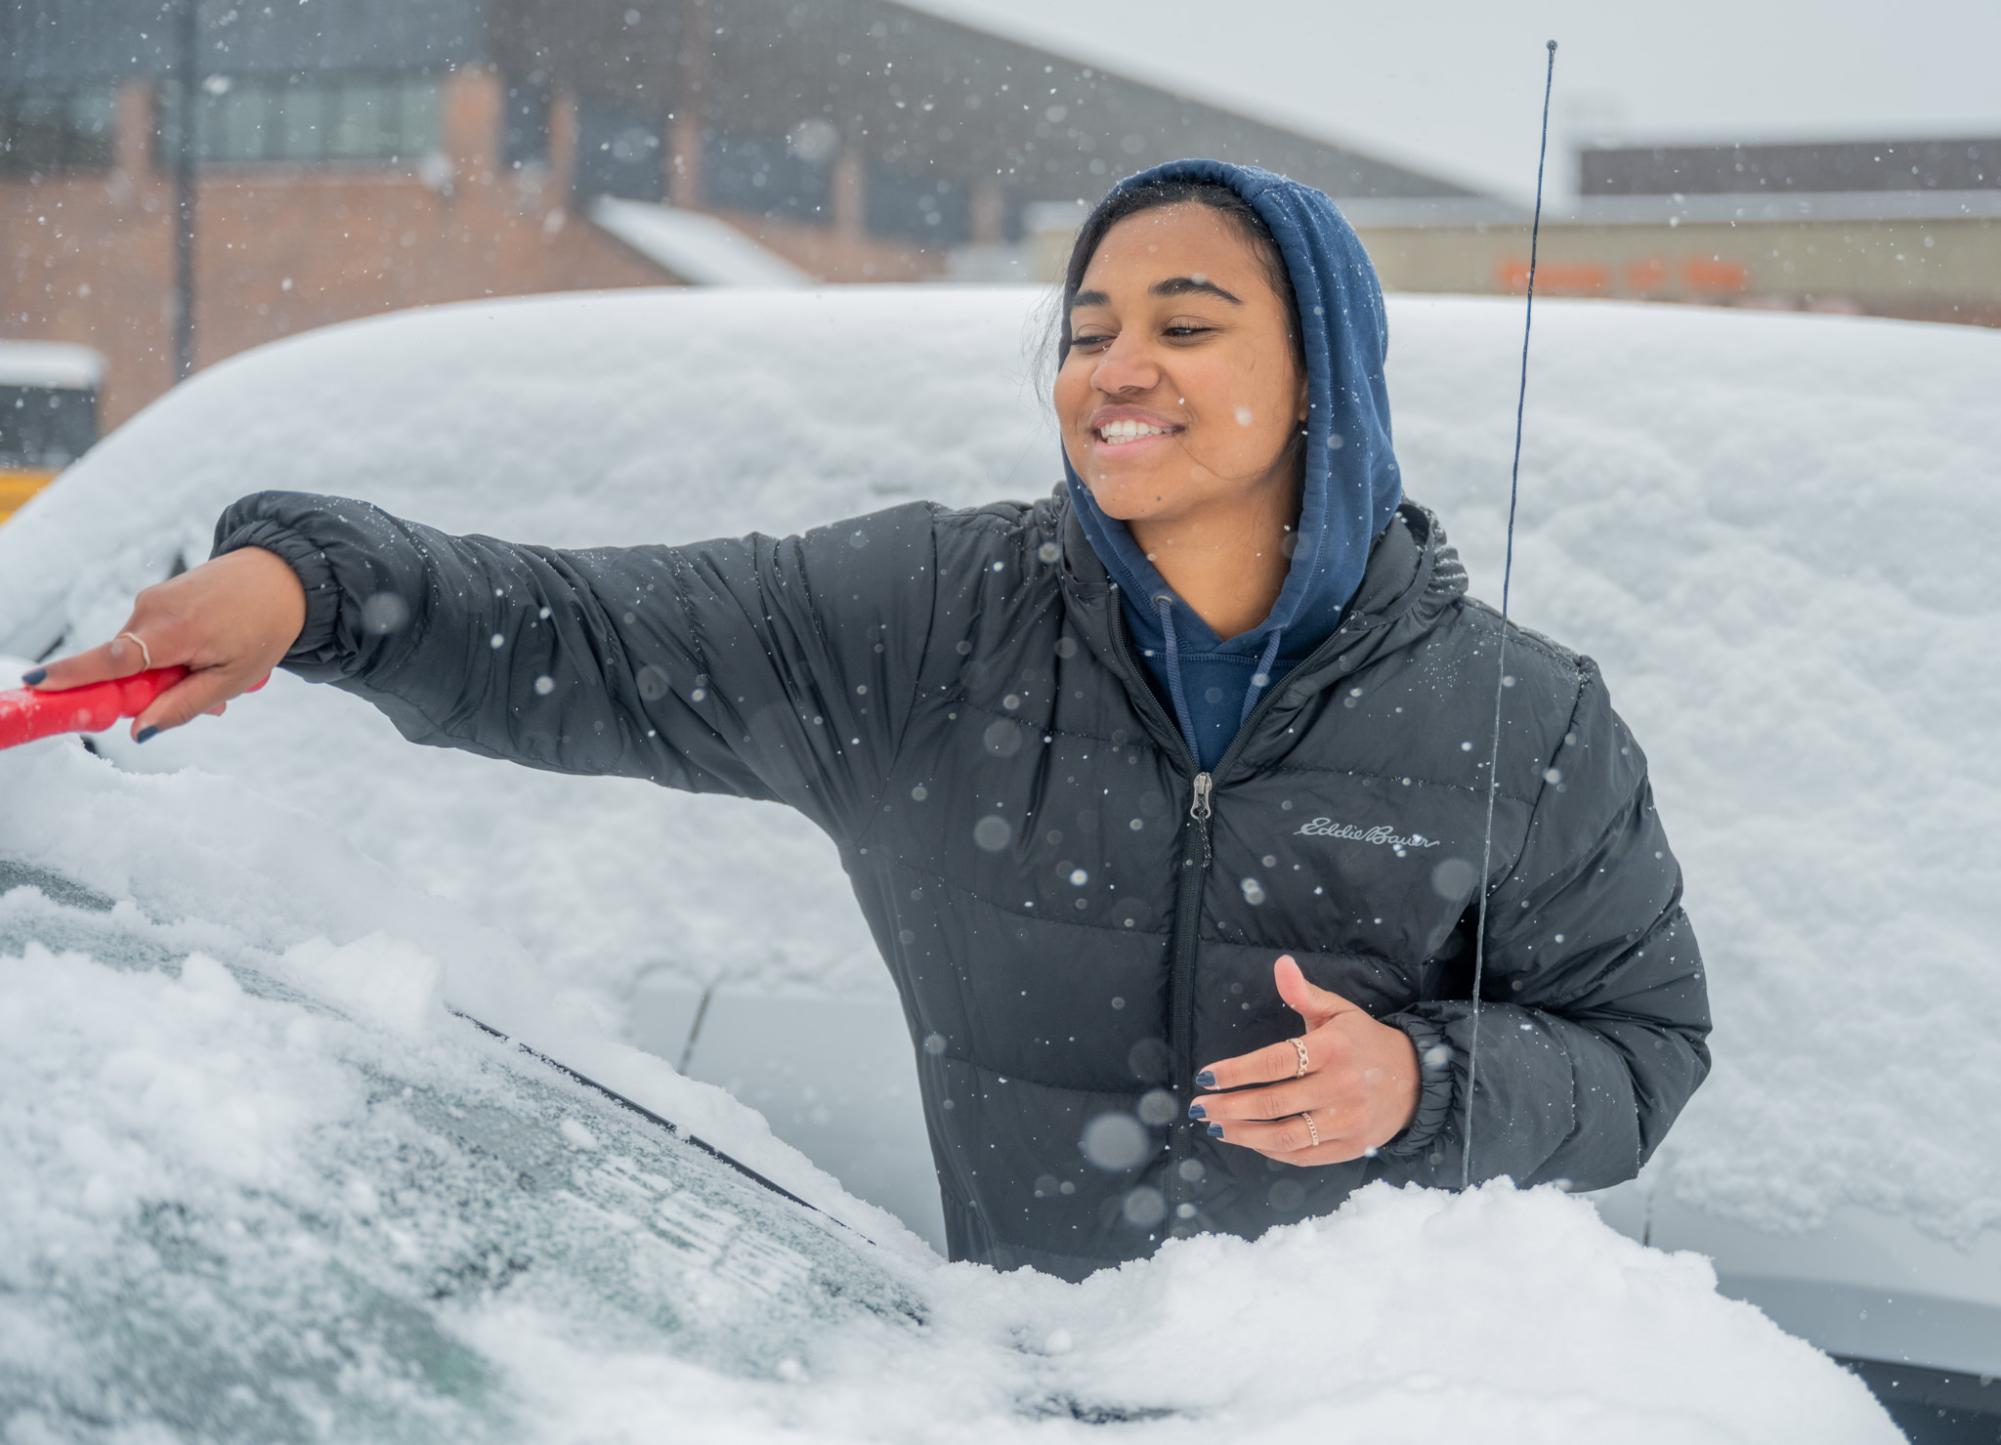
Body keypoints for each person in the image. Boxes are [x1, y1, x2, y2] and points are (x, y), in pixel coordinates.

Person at [22, 157, 1712, 1283]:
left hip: (1369, 1394)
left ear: (1323, 383)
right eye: (1089, 328)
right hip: (1017, 1374)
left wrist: (1420, 1080)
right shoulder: (931, 628)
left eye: (1187, 324)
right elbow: (585, 632)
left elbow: (1641, 1049)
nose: (1115, 364)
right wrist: (310, 593)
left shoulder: (1521, 717)